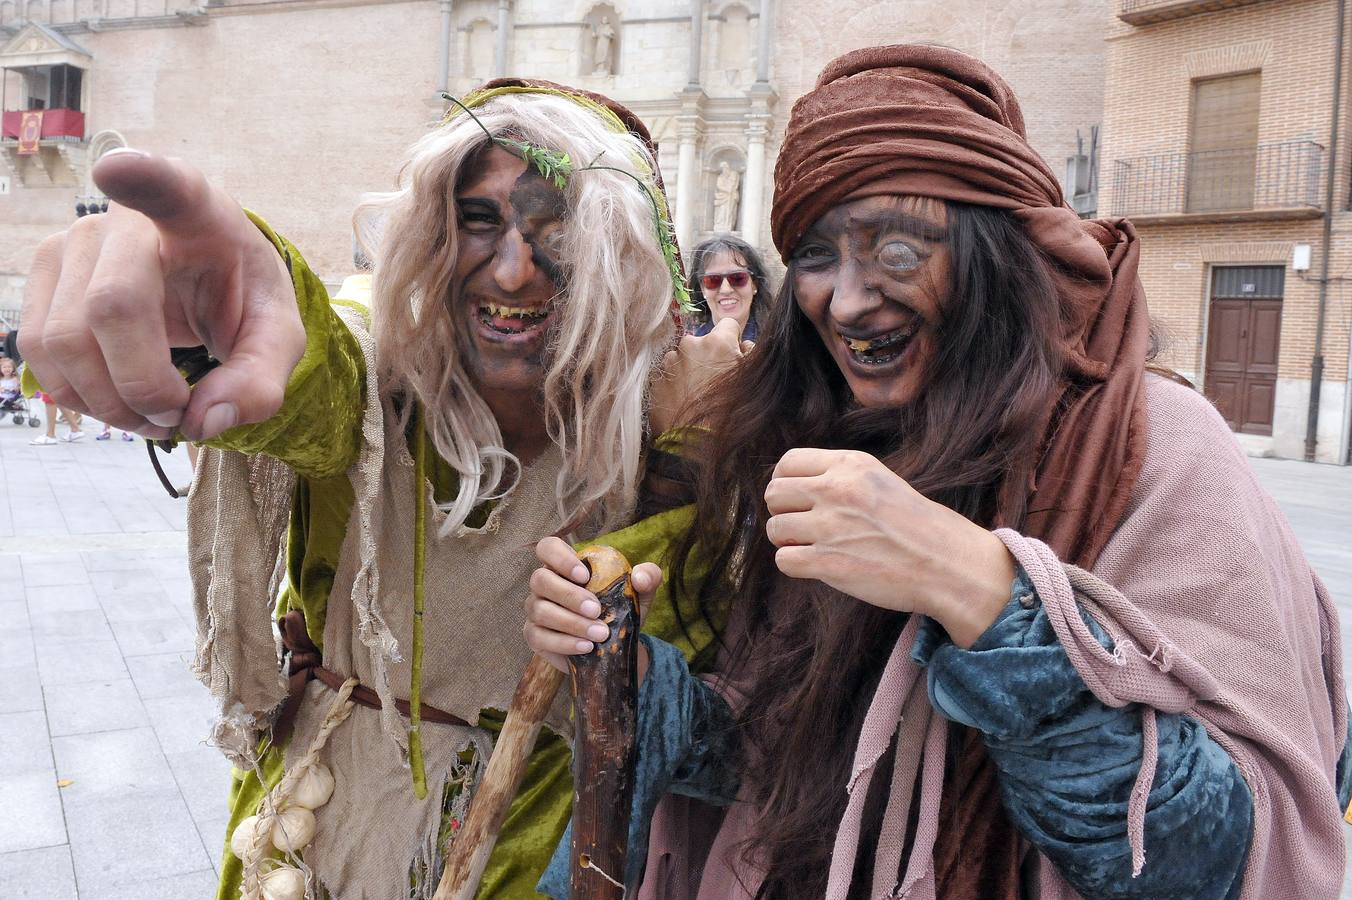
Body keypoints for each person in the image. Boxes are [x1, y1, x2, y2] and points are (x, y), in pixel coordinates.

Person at [525, 45, 1351, 899]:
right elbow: (784, 767)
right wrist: (639, 683)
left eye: (897, 249)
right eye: (817, 254)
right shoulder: (831, 439)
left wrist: (984, 595)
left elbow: (1210, 867)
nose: (845, 300)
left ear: (994, 257)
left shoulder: (1160, 449)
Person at [18, 79, 729, 899]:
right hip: (315, 822)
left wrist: (698, 455)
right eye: (478, 220)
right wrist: (215, 313)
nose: (511, 269)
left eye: (557, 229)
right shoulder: (373, 389)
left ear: (620, 260)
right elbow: (305, 367)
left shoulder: (671, 436)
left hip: (532, 840)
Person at [686, 234, 772, 341]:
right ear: (702, 288)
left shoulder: (779, 345)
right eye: (713, 280)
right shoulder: (685, 349)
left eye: (737, 278)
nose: (726, 289)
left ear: (754, 284)